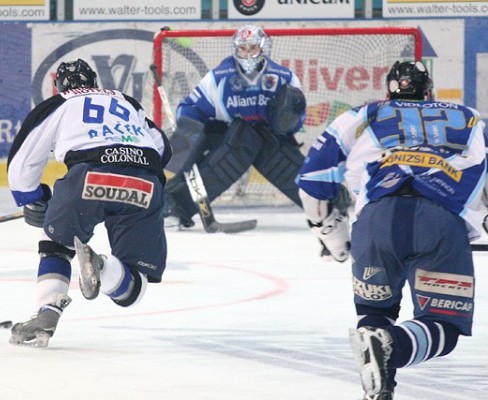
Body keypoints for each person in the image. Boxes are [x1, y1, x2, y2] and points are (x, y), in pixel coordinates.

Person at [297, 59, 486, 400]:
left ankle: (381, 388)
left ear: (389, 91)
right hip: (439, 222)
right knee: (444, 325)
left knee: (376, 313)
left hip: (375, 223)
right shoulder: (471, 118)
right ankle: (391, 345)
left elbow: (313, 182)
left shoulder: (362, 115)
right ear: (429, 93)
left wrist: (333, 237)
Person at [6, 59, 172, 347]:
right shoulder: (126, 101)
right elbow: (162, 149)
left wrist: (35, 199)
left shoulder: (58, 103)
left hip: (88, 178)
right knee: (135, 285)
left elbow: (21, 167)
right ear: (94, 82)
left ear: (58, 86)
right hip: (144, 182)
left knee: (56, 244)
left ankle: (48, 309)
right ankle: (102, 267)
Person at [164, 24, 307, 228]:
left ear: (263, 48)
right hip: (226, 136)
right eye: (242, 49)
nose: (247, 54)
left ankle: (328, 204)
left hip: (268, 139)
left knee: (284, 162)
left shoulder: (284, 77)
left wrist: (290, 124)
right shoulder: (219, 78)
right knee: (194, 154)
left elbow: (297, 118)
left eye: (253, 48)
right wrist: (188, 139)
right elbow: (191, 109)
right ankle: (173, 207)